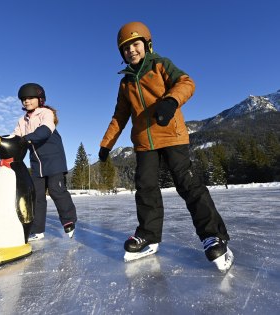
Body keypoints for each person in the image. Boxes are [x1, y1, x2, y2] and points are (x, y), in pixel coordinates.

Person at [98, 22, 233, 271]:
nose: (131, 51)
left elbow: (186, 83)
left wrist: (171, 100)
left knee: (188, 185)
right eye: (125, 48)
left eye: (135, 44)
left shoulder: (161, 64)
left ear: (147, 45)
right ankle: (148, 235)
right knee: (145, 188)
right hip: (143, 143)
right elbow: (119, 116)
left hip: (172, 136)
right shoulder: (126, 82)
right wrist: (106, 145)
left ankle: (214, 236)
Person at [13, 83, 77, 241]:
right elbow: (15, 138)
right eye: (23, 99)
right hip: (36, 164)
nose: (26, 101)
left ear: (40, 99)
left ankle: (68, 220)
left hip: (54, 160)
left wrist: (25, 139)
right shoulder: (22, 120)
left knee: (56, 190)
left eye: (30, 98)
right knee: (36, 196)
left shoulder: (45, 113)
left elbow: (45, 131)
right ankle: (38, 230)